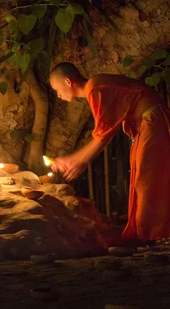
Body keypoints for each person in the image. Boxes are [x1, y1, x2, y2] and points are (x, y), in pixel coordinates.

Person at [49, 62, 170, 246]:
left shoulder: (95, 88)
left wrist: (76, 160)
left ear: (68, 82)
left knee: (148, 176)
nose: (58, 95)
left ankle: (149, 234)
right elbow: (104, 131)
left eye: (57, 90)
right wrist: (75, 160)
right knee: (141, 176)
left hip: (152, 119)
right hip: (147, 121)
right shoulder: (95, 88)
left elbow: (103, 135)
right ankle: (145, 232)